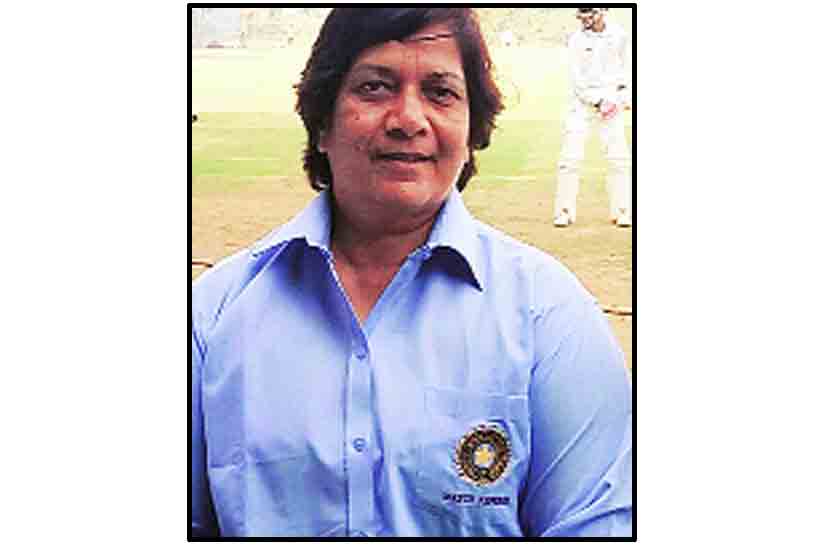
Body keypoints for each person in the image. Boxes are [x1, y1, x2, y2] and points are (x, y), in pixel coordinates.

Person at [191, 8, 632, 538]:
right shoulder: (212, 318)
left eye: (440, 92)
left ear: (471, 130)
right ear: (323, 122)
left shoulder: (550, 317)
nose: (408, 119)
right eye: (375, 87)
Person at [553, 8, 633, 228]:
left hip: (612, 104)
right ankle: (564, 211)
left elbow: (628, 71)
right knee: (570, 159)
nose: (584, 19)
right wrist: (598, 101)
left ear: (603, 11)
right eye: (581, 14)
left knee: (618, 159)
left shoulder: (620, 36)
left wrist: (622, 98)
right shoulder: (576, 40)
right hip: (581, 106)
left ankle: (623, 210)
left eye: (590, 13)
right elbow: (577, 80)